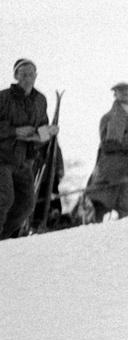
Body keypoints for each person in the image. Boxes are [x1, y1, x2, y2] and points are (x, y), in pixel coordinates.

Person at [0, 59, 55, 239]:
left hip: (25, 160)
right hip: (3, 157)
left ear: (36, 76)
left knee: (26, 205)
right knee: (4, 199)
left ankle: (4, 238)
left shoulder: (41, 100)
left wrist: (47, 133)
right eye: (23, 74)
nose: (28, 78)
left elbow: (42, 128)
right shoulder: (3, 98)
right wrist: (14, 131)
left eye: (31, 74)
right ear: (16, 75)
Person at [87, 82, 128, 220]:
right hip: (110, 169)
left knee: (127, 206)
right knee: (100, 204)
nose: (125, 92)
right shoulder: (108, 117)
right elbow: (106, 145)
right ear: (115, 94)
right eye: (121, 90)